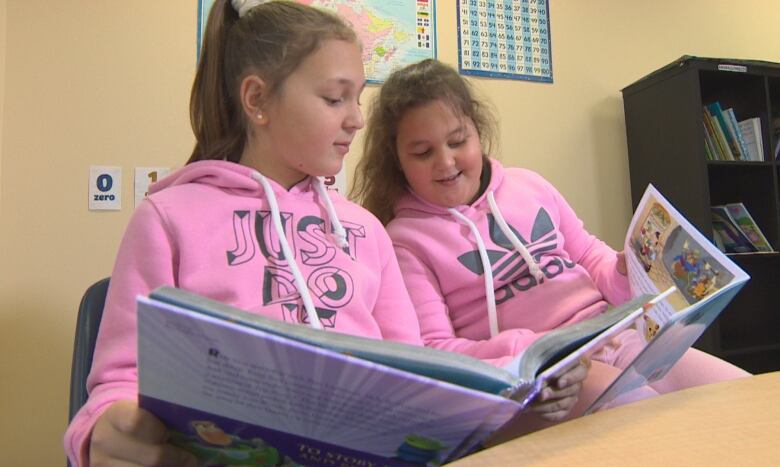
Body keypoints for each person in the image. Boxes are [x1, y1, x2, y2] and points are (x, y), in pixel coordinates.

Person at [64, 1, 422, 465]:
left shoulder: (367, 230)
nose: (356, 119)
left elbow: (413, 372)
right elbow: (120, 382)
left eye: (358, 98)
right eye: (336, 98)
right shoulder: (169, 217)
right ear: (256, 100)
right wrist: (104, 433)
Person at [351, 58, 751, 424]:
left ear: (477, 131)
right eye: (422, 152)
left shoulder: (529, 185)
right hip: (551, 371)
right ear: (397, 160)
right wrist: (534, 348)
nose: (447, 162)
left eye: (458, 141)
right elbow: (436, 348)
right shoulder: (404, 240)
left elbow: (591, 257)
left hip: (616, 335)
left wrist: (624, 268)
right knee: (652, 423)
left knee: (745, 398)